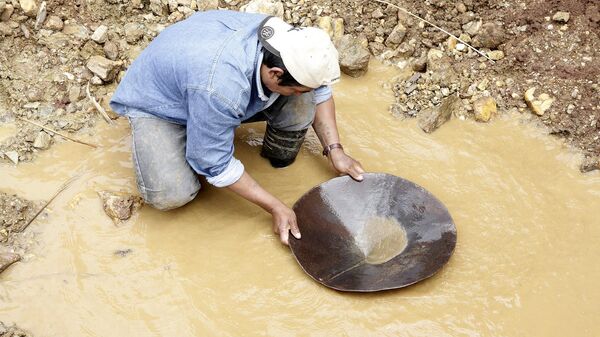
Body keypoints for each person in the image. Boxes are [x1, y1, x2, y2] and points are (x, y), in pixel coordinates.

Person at [110, 10, 365, 245]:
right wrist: (275, 205)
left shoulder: (288, 44)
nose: (301, 94)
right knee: (171, 194)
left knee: (302, 102)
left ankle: (264, 153)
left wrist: (335, 150)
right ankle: (199, 133)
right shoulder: (221, 88)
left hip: (203, 79)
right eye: (296, 89)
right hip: (161, 105)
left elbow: (318, 91)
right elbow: (216, 164)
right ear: (275, 74)